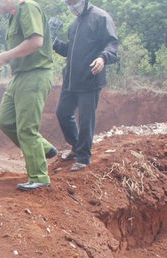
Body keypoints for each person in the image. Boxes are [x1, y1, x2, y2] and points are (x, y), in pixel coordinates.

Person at [0, 0, 57, 191]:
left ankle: (39, 176)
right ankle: (44, 149)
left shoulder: (27, 7)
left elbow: (36, 41)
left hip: (35, 74)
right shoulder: (12, 15)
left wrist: (5, 56)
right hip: (20, 76)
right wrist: (4, 59)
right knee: (6, 120)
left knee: (26, 128)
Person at [52, 0, 118, 172]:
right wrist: (54, 43)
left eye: (71, 2)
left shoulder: (100, 17)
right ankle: (76, 146)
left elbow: (112, 44)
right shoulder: (74, 24)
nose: (69, 5)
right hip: (71, 79)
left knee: (86, 119)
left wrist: (103, 58)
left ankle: (83, 158)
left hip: (90, 78)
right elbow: (70, 50)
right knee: (62, 112)